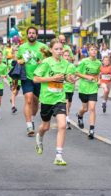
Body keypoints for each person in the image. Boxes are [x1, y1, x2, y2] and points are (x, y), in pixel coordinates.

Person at [33, 38, 76, 166]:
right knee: (45, 126)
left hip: (60, 99)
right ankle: (39, 137)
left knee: (62, 125)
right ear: (51, 50)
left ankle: (58, 155)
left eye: (61, 49)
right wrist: (52, 78)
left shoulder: (66, 64)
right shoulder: (46, 62)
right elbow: (35, 79)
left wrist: (71, 79)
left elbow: (68, 78)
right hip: (47, 99)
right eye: (56, 49)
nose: (59, 51)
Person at [17, 26, 48, 137]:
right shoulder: (22, 47)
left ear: (36, 35)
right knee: (28, 99)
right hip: (27, 77)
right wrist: (23, 60)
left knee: (36, 101)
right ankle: (29, 125)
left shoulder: (43, 47)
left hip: (39, 78)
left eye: (33, 33)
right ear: (27, 35)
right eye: (29, 33)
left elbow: (49, 59)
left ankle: (32, 118)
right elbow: (17, 60)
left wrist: (42, 61)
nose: (31, 35)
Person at [75, 43, 101, 139]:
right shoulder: (83, 62)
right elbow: (76, 73)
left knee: (92, 108)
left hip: (93, 88)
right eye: (92, 49)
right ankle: (79, 115)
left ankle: (91, 129)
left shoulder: (99, 63)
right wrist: (87, 76)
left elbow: (98, 74)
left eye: (95, 49)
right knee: (85, 109)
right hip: (83, 88)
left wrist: (98, 81)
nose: (94, 51)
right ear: (88, 51)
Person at [62, 49, 78, 129]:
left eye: (68, 56)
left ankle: (66, 116)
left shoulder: (72, 66)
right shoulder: (60, 65)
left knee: (69, 105)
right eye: (65, 55)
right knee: (66, 103)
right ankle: (67, 119)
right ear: (62, 56)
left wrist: (74, 79)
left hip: (70, 88)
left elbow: (77, 75)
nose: (67, 57)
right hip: (62, 88)